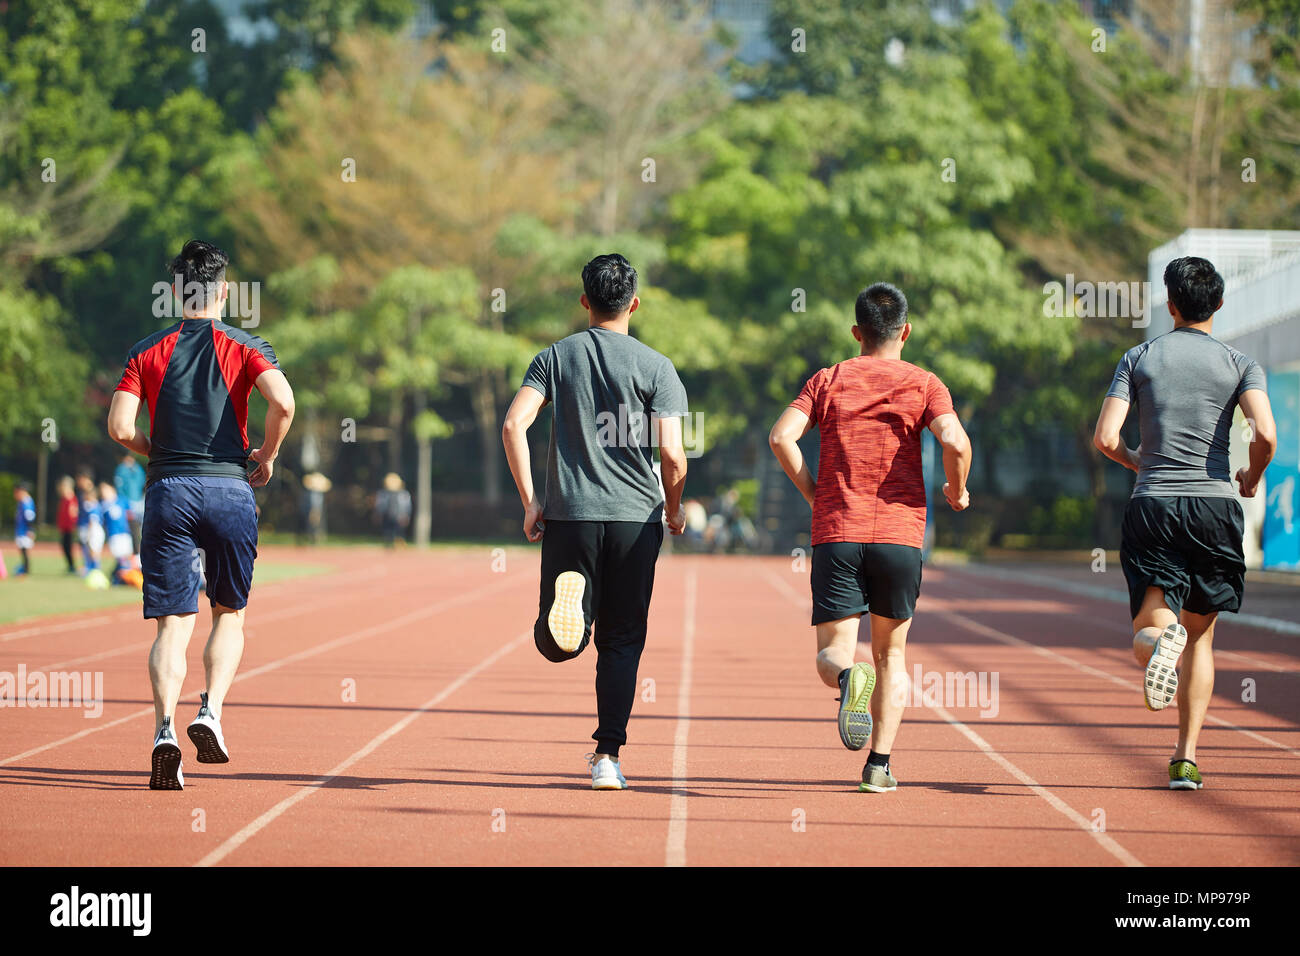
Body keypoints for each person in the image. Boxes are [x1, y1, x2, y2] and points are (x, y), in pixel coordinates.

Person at [107, 239, 295, 790]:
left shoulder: (146, 350)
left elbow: (119, 428)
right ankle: (209, 712)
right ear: (226, 292)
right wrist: (266, 455)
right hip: (229, 489)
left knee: (172, 623)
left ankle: (164, 729)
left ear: (173, 293)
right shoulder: (244, 344)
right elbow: (283, 403)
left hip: (168, 490)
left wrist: (158, 452)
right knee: (228, 614)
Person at [769, 282, 972, 793]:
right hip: (900, 538)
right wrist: (957, 487)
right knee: (891, 657)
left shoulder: (828, 378)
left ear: (856, 332)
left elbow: (780, 437)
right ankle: (879, 767)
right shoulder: (926, 384)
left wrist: (815, 493)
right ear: (906, 331)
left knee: (834, 651)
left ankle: (845, 679)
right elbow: (954, 439)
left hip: (838, 531)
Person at [501, 253, 689, 790]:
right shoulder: (657, 367)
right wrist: (673, 507)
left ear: (584, 301)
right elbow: (673, 457)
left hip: (571, 515)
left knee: (555, 641)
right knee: (623, 640)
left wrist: (531, 500)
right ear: (634, 303)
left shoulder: (555, 358)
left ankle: (568, 627)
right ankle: (608, 756)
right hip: (636, 520)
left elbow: (515, 424)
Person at [1094, 255, 1276, 791]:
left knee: (1150, 626)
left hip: (1154, 503)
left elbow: (1105, 438)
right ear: (1218, 304)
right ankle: (1185, 759)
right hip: (1215, 507)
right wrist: (1251, 474)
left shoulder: (1140, 356)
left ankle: (1160, 640)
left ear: (1170, 305)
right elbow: (1265, 434)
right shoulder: (1241, 363)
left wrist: (1135, 461)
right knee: (1201, 640)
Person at [114, 452, 147, 553]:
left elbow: (142, 483)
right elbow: (120, 488)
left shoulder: (137, 468)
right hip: (127, 502)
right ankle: (136, 552)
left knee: (143, 528)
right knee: (133, 529)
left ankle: (143, 550)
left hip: (139, 501)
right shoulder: (121, 469)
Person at [374, 473, 411, 547]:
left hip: (398, 516)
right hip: (387, 515)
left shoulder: (403, 494)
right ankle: (388, 544)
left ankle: (399, 544)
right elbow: (380, 505)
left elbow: (406, 505)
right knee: (387, 531)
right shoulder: (383, 493)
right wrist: (378, 514)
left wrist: (405, 515)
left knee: (399, 532)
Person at [56, 476, 80, 574]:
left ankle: (72, 566)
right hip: (64, 527)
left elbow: (73, 513)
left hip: (69, 527)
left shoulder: (71, 499)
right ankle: (70, 566)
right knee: (64, 546)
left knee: (68, 547)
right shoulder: (64, 499)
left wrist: (73, 525)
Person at [12, 483, 36, 576]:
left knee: (25, 550)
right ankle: (24, 567)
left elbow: (29, 517)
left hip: (24, 531)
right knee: (22, 550)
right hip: (21, 530)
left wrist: (31, 530)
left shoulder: (27, 502)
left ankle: (26, 569)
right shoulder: (22, 502)